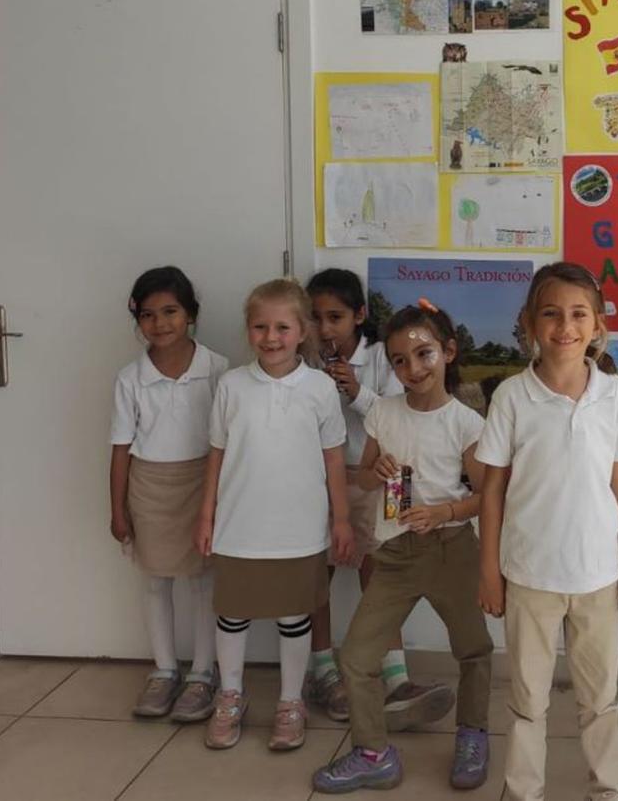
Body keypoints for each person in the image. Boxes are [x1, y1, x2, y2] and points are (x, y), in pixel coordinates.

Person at [476, 262, 618, 801]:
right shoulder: (511, 397)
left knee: (600, 698)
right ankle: (524, 791)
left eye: (579, 314)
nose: (565, 326)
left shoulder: (615, 396)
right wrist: (489, 571)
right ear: (529, 323)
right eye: (551, 314)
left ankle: (608, 789)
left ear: (598, 325)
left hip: (598, 575)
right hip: (528, 575)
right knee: (528, 699)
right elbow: (493, 490)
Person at [313, 300, 493, 792]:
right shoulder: (384, 415)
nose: (412, 369)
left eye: (424, 355)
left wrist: (444, 512)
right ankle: (374, 751)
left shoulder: (466, 424)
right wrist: (377, 472)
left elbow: (487, 497)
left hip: (450, 549)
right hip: (393, 554)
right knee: (355, 659)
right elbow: (368, 478)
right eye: (399, 360)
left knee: (473, 649)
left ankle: (473, 733)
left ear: (448, 352)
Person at [195, 278, 353, 751]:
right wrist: (206, 516)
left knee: (293, 615)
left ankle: (290, 701)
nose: (271, 337)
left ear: (303, 330)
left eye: (283, 326)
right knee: (233, 614)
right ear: (248, 330)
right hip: (239, 526)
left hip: (299, 529)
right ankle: (230, 695)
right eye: (260, 326)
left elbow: (333, 458)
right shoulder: (232, 386)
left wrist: (341, 519)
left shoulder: (321, 389)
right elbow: (217, 455)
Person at [305, 269, 450, 728]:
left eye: (336, 317)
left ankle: (395, 676)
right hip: (320, 476)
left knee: (382, 573)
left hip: (382, 476)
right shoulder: (304, 359)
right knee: (316, 574)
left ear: (359, 315)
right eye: (316, 317)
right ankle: (323, 671)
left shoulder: (385, 358)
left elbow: (398, 417)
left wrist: (357, 390)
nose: (325, 328)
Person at [110, 266, 227, 722]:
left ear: (191, 315)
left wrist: (223, 501)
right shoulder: (129, 378)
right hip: (149, 486)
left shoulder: (217, 369)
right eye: (148, 314)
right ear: (136, 319)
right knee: (155, 579)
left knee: (202, 578)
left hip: (203, 483)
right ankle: (163, 669)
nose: (160, 323)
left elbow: (227, 441)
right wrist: (117, 509)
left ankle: (201, 674)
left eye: (171, 311)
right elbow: (120, 449)